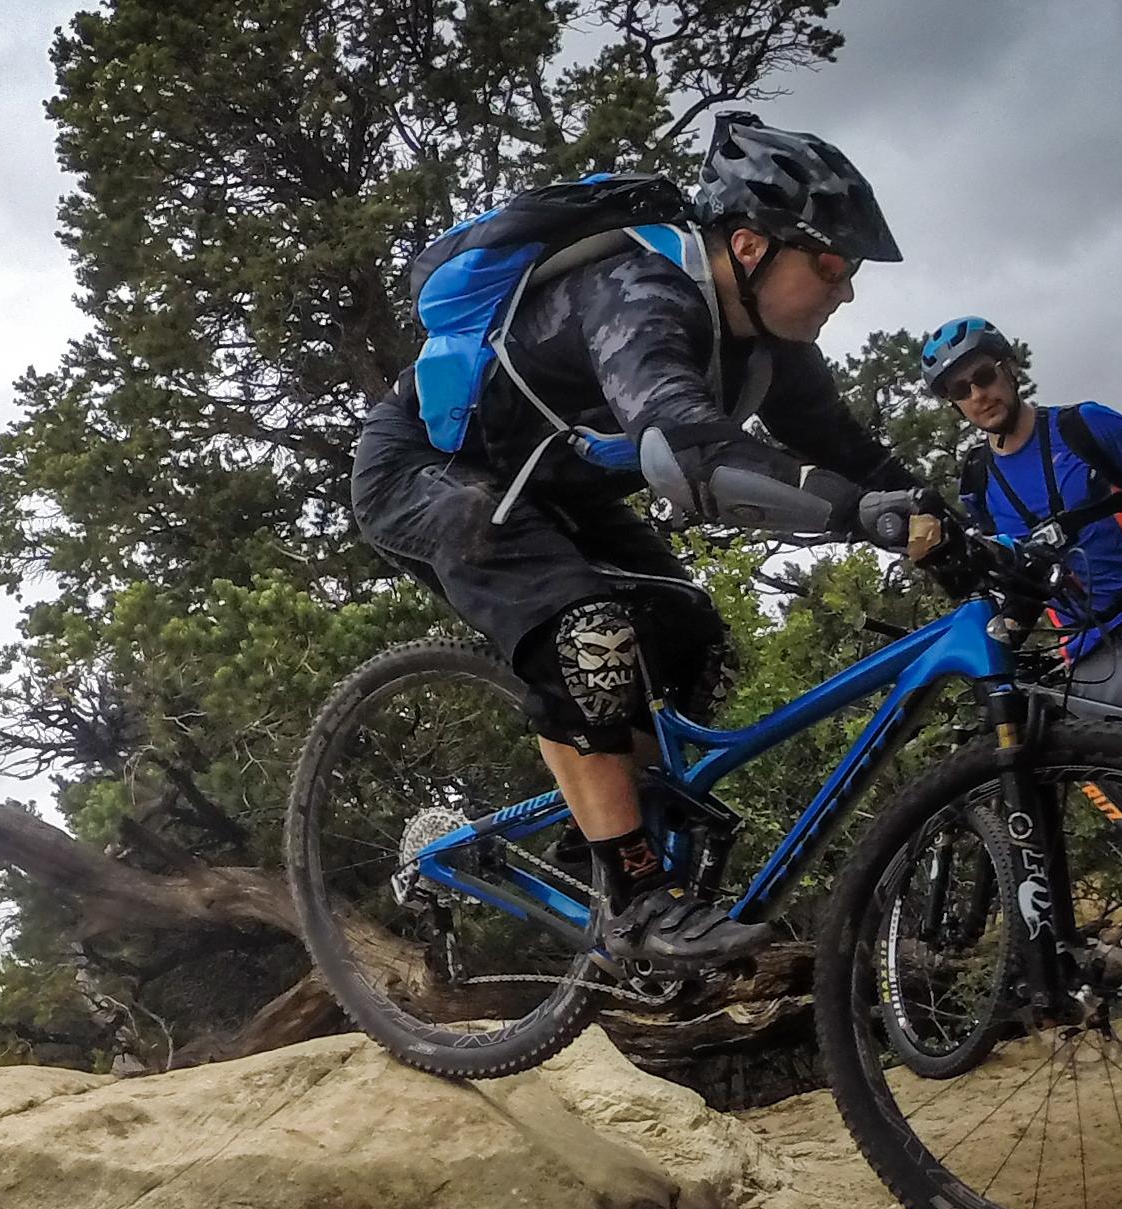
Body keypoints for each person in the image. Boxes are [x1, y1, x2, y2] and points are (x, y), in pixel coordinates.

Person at [352, 115, 948, 969]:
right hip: (430, 471)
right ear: (749, 245)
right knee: (586, 633)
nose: (844, 290)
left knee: (693, 639)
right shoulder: (643, 289)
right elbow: (689, 445)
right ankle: (634, 901)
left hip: (555, 486)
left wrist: (962, 525)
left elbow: (857, 455)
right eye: (830, 264)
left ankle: (597, 827)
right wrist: (858, 515)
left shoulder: (769, 349)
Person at [919, 316, 1122, 998]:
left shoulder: (1082, 426)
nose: (978, 393)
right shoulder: (978, 478)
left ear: (1009, 367)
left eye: (984, 374)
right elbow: (1001, 583)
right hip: (1087, 658)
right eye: (961, 388)